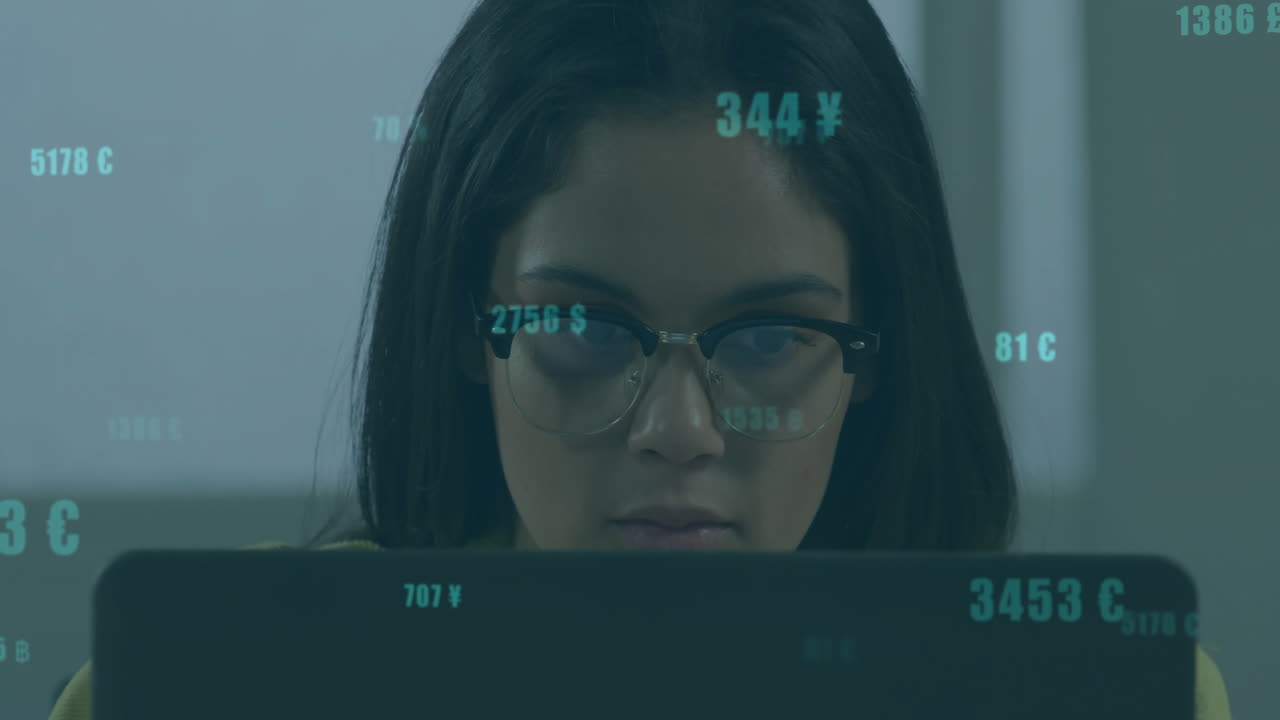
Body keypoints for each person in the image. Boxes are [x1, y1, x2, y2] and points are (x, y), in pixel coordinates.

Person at [50, 1, 1233, 718]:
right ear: (470, 332)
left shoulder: (1097, 700)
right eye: (582, 327)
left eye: (769, 338)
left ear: (870, 359)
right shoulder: (214, 687)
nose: (679, 429)